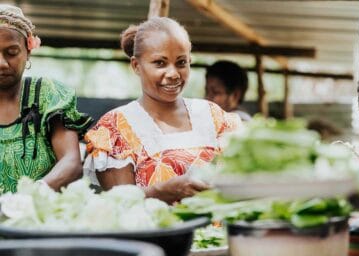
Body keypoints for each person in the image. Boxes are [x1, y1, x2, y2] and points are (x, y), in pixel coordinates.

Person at [84, 17, 241, 204]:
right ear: (136, 66)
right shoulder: (115, 128)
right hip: (159, 233)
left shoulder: (214, 116)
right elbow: (121, 206)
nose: (173, 74)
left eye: (181, 62)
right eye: (160, 63)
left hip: (220, 233)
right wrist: (161, 192)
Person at [0, 4, 93, 193]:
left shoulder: (47, 94)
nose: (2, 63)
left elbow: (71, 162)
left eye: (11, 53)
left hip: (37, 215)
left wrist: (29, 198)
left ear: (28, 51)